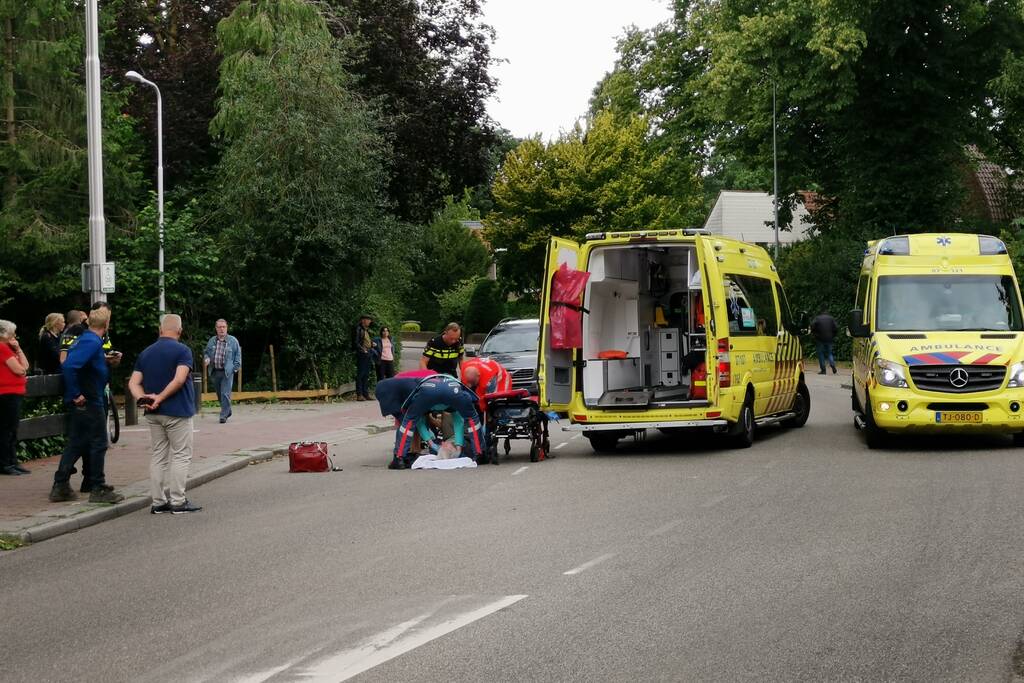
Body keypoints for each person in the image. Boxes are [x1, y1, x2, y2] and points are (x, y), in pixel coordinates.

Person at [49, 306, 123, 503]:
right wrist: (76, 394)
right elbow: (69, 365)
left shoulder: (87, 339)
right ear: (106, 324)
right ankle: (97, 486)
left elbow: (76, 363)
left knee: (78, 441)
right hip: (89, 398)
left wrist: (104, 361)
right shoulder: (92, 341)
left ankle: (61, 484)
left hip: (86, 397)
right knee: (98, 442)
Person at [129, 314, 201, 515]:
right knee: (181, 455)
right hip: (178, 411)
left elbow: (133, 382)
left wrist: (144, 398)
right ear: (180, 331)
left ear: (160, 330)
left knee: (159, 456)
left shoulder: (146, 353)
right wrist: (160, 398)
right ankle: (178, 501)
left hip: (153, 414)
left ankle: (158, 501)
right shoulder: (183, 351)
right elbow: (179, 379)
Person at [389, 373, 482, 470]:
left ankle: (399, 458)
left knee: (408, 423)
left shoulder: (421, 383)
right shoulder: (453, 385)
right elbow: (459, 422)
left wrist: (431, 443)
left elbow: (419, 422)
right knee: (472, 420)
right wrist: (459, 447)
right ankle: (479, 454)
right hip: (453, 390)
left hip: (428, 391)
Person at [0, 320, 30, 475]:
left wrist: (18, 349)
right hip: (7, 394)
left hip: (14, 393)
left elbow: (26, 366)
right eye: (12, 334)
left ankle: (12, 461)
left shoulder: (10, 349)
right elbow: (19, 370)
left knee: (12, 430)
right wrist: (22, 370)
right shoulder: (2, 348)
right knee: (7, 430)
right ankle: (5, 463)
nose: (14, 336)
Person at [203, 319, 241, 423]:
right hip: (215, 371)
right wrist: (206, 358)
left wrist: (235, 368)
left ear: (227, 328)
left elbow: (238, 356)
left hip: (227, 372)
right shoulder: (212, 340)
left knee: (225, 393)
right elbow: (206, 352)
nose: (222, 329)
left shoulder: (233, 341)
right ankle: (227, 410)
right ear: (216, 328)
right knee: (220, 394)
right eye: (219, 327)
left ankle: (223, 415)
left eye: (223, 327)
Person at [810, 308, 839, 375]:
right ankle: (832, 364)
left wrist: (814, 333)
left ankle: (823, 370)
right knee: (829, 353)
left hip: (820, 338)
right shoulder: (831, 318)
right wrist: (833, 335)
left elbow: (812, 326)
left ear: (821, 313)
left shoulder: (817, 318)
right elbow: (836, 328)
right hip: (829, 338)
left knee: (821, 354)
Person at [353, 314, 374, 401]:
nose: (370, 321)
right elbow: (356, 342)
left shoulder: (366, 330)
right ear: (363, 320)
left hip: (368, 353)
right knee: (360, 374)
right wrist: (363, 350)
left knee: (366, 374)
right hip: (362, 354)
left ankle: (365, 394)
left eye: (370, 320)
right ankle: (359, 394)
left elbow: (366, 341)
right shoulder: (358, 329)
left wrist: (372, 344)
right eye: (368, 320)